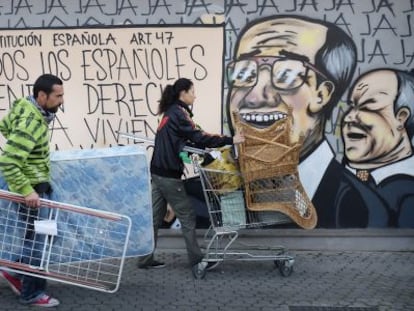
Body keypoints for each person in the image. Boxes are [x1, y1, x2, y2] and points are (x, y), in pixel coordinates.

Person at [226, 15, 357, 227]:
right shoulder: (207, 199)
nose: (254, 96)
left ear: (322, 94)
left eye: (287, 74)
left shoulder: (362, 205)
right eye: (244, 72)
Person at [138, 78, 244, 270]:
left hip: (157, 172)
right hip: (169, 175)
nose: (195, 95)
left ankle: (144, 259)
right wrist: (230, 140)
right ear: (183, 93)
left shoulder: (170, 112)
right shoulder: (179, 114)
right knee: (187, 216)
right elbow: (198, 136)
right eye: (193, 91)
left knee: (154, 218)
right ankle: (197, 260)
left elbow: (182, 140)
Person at [0, 74, 63, 307]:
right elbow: (9, 161)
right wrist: (27, 190)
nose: (61, 100)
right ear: (42, 96)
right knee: (40, 242)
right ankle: (31, 293)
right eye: (58, 96)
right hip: (31, 190)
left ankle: (14, 271)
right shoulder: (32, 121)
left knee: (36, 238)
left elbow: (5, 127)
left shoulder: (25, 107)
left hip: (32, 186)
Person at [338, 68, 414, 227]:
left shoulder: (407, 192)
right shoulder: (332, 181)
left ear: (401, 117)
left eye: (367, 107)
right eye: (352, 106)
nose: (350, 117)